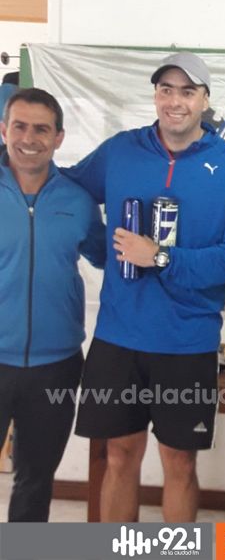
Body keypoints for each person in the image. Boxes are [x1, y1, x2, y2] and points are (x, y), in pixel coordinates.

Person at [63, 52, 225, 522]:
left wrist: (161, 258)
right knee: (118, 455)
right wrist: (102, 250)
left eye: (188, 91)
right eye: (166, 90)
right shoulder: (121, 150)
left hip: (187, 342)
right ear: (155, 96)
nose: (175, 101)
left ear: (205, 100)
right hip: (118, 337)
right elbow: (69, 191)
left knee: (180, 463)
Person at [0, 87, 106, 522]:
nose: (29, 138)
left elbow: (109, 257)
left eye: (41, 129)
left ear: (58, 137)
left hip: (56, 366)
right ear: (3, 131)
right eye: (19, 127)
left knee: (35, 481)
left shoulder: (78, 201)